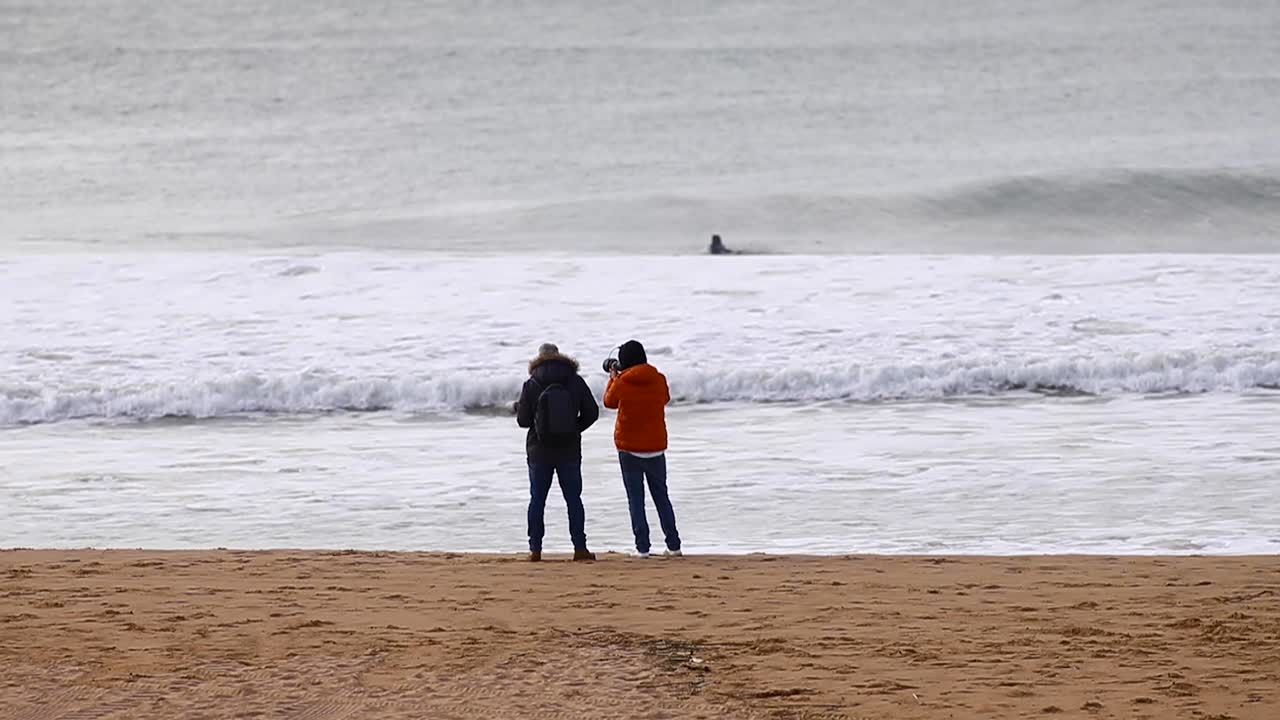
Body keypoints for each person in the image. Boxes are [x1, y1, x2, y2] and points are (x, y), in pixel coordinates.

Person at [515, 343, 599, 562]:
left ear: (539, 359)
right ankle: (580, 548)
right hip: (569, 450)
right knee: (573, 499)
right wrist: (574, 428)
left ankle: (535, 549)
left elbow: (523, 421)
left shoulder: (531, 384)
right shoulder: (575, 380)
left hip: (539, 452)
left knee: (537, 500)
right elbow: (592, 412)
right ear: (559, 356)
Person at [603, 340, 682, 558]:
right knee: (661, 497)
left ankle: (643, 548)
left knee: (636, 499)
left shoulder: (621, 382)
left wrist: (613, 379)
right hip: (656, 447)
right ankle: (674, 545)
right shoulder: (658, 379)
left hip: (629, 448)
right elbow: (665, 398)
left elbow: (609, 402)